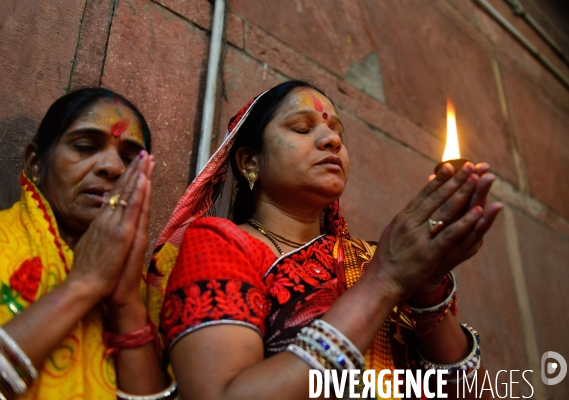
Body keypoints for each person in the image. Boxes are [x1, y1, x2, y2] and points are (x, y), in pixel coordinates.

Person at [148, 80, 503, 399]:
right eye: (302, 128)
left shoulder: (374, 258)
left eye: (338, 133)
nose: (331, 139)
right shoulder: (220, 243)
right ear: (249, 162)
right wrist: (383, 282)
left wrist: (428, 294)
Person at [0, 88, 172, 399]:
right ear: (35, 163)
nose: (113, 167)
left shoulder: (151, 297)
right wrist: (84, 283)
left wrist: (126, 304)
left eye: (130, 159)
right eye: (85, 147)